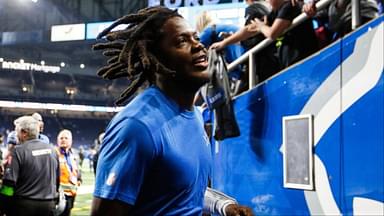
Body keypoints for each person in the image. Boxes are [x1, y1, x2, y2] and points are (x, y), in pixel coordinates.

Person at [90, 6, 252, 216]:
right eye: (181, 41)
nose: (198, 45)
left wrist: (223, 206)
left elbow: (180, 192)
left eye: (195, 37)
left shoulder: (193, 114)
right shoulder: (136, 127)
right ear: (156, 60)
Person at [212, 0, 318, 72]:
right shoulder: (275, 12)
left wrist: (262, 27)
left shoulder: (289, 5)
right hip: (291, 63)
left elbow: (272, 34)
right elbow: (249, 29)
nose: (267, 1)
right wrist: (224, 43)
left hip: (305, 59)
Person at [0, 116, 59, 216]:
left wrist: (3, 205)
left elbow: (9, 184)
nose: (15, 135)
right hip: (49, 205)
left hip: (24, 206)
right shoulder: (52, 150)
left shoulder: (18, 151)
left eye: (16, 131)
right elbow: (57, 180)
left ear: (24, 133)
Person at [196, 11, 245, 82]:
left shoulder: (209, 30)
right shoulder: (226, 27)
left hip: (237, 69)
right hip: (245, 63)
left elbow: (194, 48)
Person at [56, 129, 81, 216]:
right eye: (61, 138)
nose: (63, 140)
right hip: (59, 194)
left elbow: (77, 169)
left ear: (71, 141)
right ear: (57, 141)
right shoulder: (54, 154)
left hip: (72, 193)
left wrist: (79, 179)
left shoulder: (74, 155)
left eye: (66, 138)